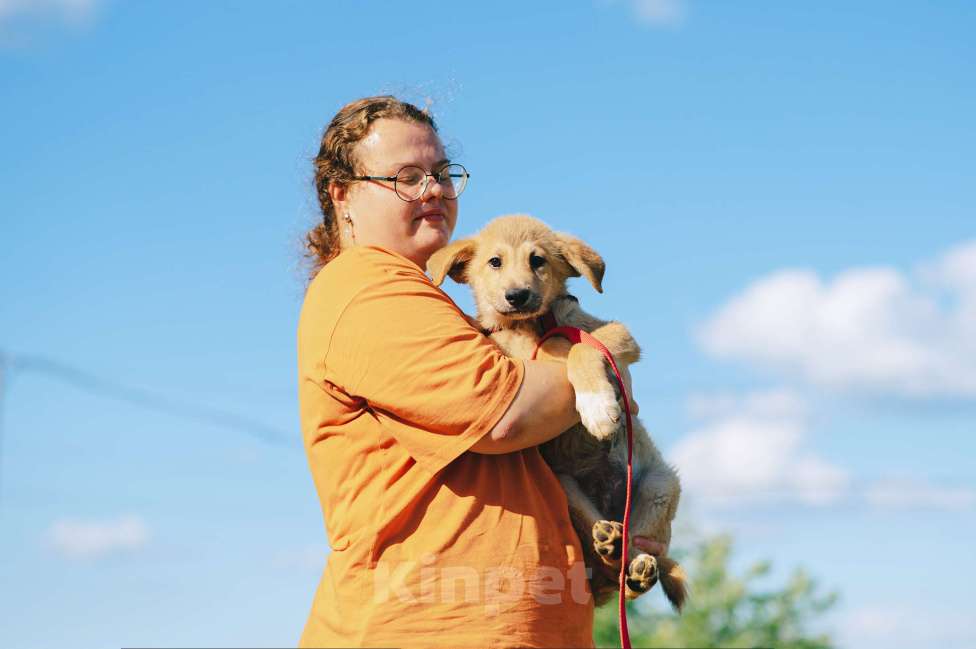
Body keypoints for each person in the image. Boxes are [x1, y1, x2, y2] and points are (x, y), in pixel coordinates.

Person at [297, 96, 664, 648]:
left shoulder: (434, 305)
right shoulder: (366, 288)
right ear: (342, 194)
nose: (433, 190)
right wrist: (594, 359)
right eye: (406, 177)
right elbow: (507, 414)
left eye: (443, 174)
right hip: (426, 629)